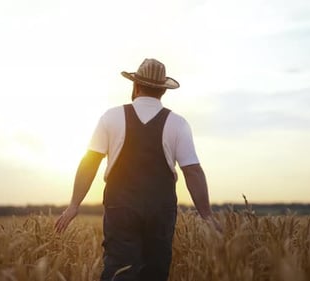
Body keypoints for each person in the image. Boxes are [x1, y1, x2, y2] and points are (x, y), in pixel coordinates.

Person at [54, 58, 219, 281]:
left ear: (136, 86)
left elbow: (89, 162)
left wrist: (74, 205)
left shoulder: (110, 117)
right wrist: (206, 215)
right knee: (155, 273)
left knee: (119, 271)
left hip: (120, 207)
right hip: (161, 210)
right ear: (163, 91)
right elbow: (193, 172)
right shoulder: (178, 123)